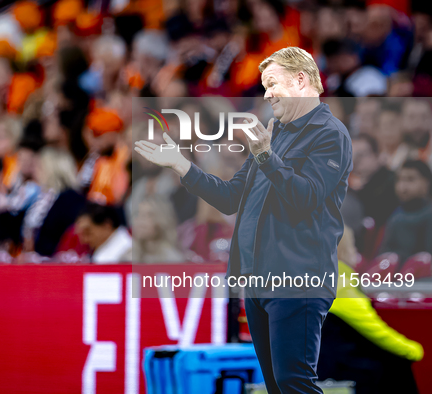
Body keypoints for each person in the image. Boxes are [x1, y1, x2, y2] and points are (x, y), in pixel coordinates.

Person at [135, 46, 353, 393]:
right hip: (257, 279)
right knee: (277, 385)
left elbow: (305, 197)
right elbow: (230, 197)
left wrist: (266, 156)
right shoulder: (277, 134)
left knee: (293, 382)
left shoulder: (330, 133)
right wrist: (183, 166)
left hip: (297, 277)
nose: (267, 95)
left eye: (273, 85)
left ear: (300, 81)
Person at [318, 226, 423, 394]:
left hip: (321, 366)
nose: (356, 253)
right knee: (397, 366)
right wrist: (412, 350)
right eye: (353, 246)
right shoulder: (340, 284)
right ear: (341, 251)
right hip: (343, 369)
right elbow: (375, 330)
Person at [379, 160, 432, 263]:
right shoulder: (395, 216)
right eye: (399, 179)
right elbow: (383, 256)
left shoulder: (429, 215)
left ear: (426, 183)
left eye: (410, 179)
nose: (402, 186)